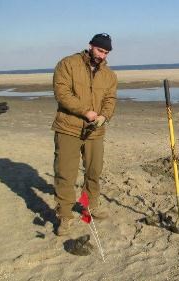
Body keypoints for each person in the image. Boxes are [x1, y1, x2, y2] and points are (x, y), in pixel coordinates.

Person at [52, 33, 117, 236]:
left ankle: (90, 206)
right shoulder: (67, 64)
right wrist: (85, 112)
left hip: (95, 132)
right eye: (100, 50)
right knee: (65, 173)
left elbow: (110, 99)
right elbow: (62, 94)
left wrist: (104, 117)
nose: (102, 55)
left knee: (93, 172)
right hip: (68, 128)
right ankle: (64, 215)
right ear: (90, 46)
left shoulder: (109, 75)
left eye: (106, 52)